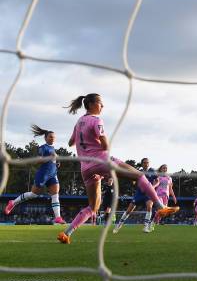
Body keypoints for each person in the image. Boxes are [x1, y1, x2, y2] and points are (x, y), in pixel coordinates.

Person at [57, 93, 179, 244]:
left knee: (92, 207)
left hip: (85, 168)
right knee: (139, 175)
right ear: (90, 104)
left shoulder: (79, 121)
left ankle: (66, 233)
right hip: (101, 161)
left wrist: (85, 142)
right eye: (100, 103)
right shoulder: (96, 120)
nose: (102, 106)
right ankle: (161, 207)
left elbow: (71, 143)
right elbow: (105, 146)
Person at [4, 125, 65, 224]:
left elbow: (53, 160)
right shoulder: (43, 148)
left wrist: (57, 163)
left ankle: (58, 217)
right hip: (43, 175)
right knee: (33, 194)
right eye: (50, 137)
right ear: (45, 138)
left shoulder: (53, 148)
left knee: (55, 194)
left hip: (53, 175)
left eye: (54, 137)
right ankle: (13, 202)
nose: (52, 138)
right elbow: (38, 160)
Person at [113, 158, 158, 234]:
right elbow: (133, 180)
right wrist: (134, 181)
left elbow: (157, 181)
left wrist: (152, 187)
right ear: (142, 163)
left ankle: (146, 226)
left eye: (147, 162)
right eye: (144, 162)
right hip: (139, 193)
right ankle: (119, 225)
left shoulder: (152, 171)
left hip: (148, 193)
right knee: (129, 210)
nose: (146, 164)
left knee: (149, 206)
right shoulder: (138, 171)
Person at [150, 164, 177, 231]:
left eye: (166, 168)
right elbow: (154, 186)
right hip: (158, 195)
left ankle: (154, 222)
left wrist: (174, 196)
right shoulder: (158, 177)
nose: (165, 169)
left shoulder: (169, 178)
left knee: (163, 212)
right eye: (163, 168)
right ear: (161, 169)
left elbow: (170, 189)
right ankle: (152, 223)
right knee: (160, 209)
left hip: (166, 196)